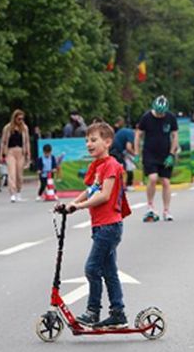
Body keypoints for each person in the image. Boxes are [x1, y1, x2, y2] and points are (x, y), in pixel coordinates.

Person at [61, 122, 131, 329]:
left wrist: (80, 206)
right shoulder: (97, 166)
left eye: (93, 140)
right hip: (101, 226)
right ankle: (118, 313)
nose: (88, 144)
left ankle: (93, 312)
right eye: (86, 141)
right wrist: (71, 204)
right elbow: (91, 190)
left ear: (108, 142)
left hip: (110, 226)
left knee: (92, 268)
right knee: (109, 271)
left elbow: (104, 195)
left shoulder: (110, 165)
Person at [134, 95, 178, 222]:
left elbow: (175, 136)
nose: (160, 115)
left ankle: (166, 210)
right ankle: (150, 205)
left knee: (166, 182)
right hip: (149, 153)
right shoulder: (146, 117)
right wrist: (137, 153)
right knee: (152, 178)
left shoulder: (170, 118)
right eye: (158, 112)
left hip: (165, 154)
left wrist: (171, 154)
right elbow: (138, 135)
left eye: (162, 113)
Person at [0, 109, 31, 202]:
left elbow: (27, 142)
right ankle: (12, 193)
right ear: (14, 118)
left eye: (22, 119)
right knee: (12, 173)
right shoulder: (8, 128)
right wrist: (1, 154)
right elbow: (3, 141)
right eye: (19, 118)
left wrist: (28, 154)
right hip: (10, 151)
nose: (20, 120)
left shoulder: (24, 128)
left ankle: (18, 191)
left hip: (21, 151)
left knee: (19, 174)